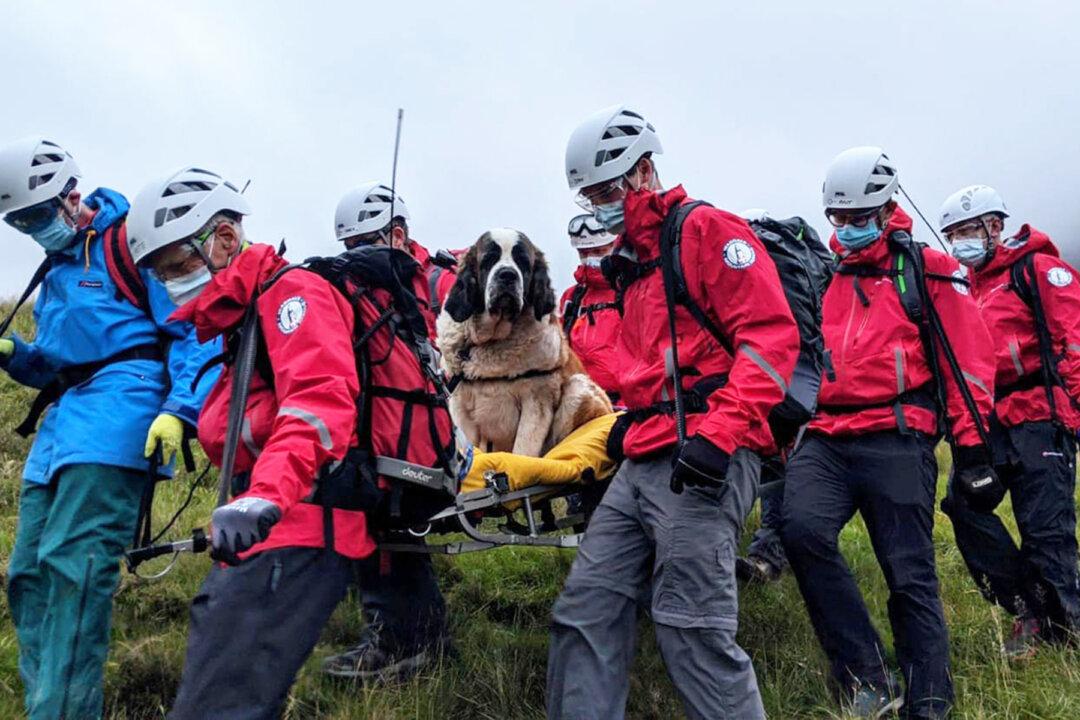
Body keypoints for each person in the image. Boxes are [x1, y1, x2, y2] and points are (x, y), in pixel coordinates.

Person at [547, 104, 800, 720]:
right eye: (589, 196)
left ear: (643, 173)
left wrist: (719, 436)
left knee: (691, 629)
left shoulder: (706, 232)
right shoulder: (632, 264)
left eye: (607, 190)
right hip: (646, 455)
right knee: (586, 610)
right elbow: (651, 368)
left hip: (705, 455)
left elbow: (769, 340)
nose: (599, 204)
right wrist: (632, 418)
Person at [0, 138, 217, 720]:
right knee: (27, 574)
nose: (32, 228)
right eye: (19, 222)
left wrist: (180, 409)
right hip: (61, 430)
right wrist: (11, 351)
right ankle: (48, 704)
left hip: (120, 418)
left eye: (38, 214)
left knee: (74, 567)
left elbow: (193, 331)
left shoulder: (132, 244)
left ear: (70, 195)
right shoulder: (57, 273)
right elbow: (54, 363)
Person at [780, 147, 996, 719]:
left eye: (859, 218)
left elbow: (968, 361)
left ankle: (928, 700)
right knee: (799, 531)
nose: (848, 229)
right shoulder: (825, 275)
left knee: (908, 572)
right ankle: (866, 674)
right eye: (839, 219)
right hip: (825, 435)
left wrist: (973, 448)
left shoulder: (927, 270)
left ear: (888, 207)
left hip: (898, 435)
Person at [938, 184, 1080, 658]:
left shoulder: (1038, 269)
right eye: (951, 234)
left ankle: (1065, 631)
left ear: (994, 226)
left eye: (966, 230)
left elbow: (1073, 340)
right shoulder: (963, 287)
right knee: (962, 504)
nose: (959, 242)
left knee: (1046, 530)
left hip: (1041, 415)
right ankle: (1029, 606)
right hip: (986, 424)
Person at [321, 182, 454, 681]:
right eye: (350, 248)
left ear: (397, 233)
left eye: (366, 243)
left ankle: (407, 640)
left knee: (387, 521)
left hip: (443, 423)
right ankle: (407, 637)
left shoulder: (441, 281)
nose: (357, 256)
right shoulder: (360, 287)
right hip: (384, 426)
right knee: (376, 517)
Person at [559, 214, 622, 402]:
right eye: (584, 253)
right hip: (581, 403)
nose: (590, 258)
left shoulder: (635, 290)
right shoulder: (572, 298)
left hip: (627, 406)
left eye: (598, 250)